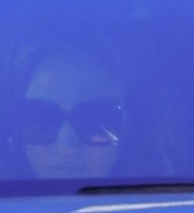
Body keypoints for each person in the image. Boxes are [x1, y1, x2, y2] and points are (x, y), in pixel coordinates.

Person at [13, 47, 129, 180]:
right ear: (15, 130)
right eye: (43, 121)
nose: (66, 148)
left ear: (128, 126)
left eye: (92, 121)